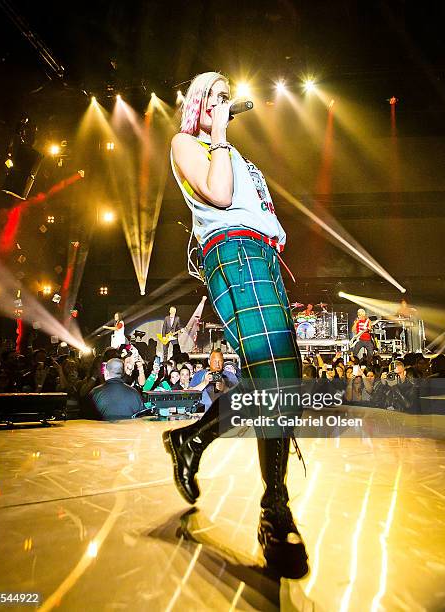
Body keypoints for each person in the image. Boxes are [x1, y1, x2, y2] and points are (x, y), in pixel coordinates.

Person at [163, 71, 307, 575]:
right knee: (279, 379)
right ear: (201, 104)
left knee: (270, 383)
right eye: (219, 97)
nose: (228, 104)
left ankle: (192, 439)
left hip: (263, 257)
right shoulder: (187, 143)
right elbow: (220, 198)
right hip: (235, 251)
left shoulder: (235, 156)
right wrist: (219, 135)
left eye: (229, 97)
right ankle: (275, 509)